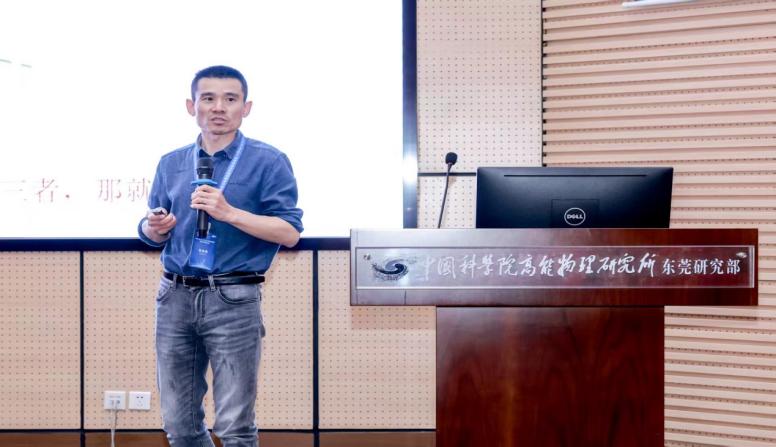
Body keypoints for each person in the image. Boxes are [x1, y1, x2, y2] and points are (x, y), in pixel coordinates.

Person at [138, 65, 303, 447]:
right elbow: (151, 229)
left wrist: (228, 213)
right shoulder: (171, 163)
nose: (218, 107)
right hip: (174, 296)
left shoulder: (268, 160)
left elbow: (289, 233)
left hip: (234, 298)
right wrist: (154, 228)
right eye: (208, 98)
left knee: (234, 427)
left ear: (246, 108)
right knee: (179, 424)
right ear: (191, 106)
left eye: (230, 99)